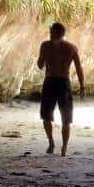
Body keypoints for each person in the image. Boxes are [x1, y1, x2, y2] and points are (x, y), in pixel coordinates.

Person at [36, 21, 84, 156]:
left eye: (51, 31)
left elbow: (40, 65)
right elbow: (79, 68)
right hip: (64, 83)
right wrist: (82, 85)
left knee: (47, 116)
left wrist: (44, 58)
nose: (50, 33)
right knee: (66, 118)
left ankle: (52, 143)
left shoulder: (45, 45)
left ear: (56, 32)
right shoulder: (71, 47)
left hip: (50, 82)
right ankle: (63, 148)